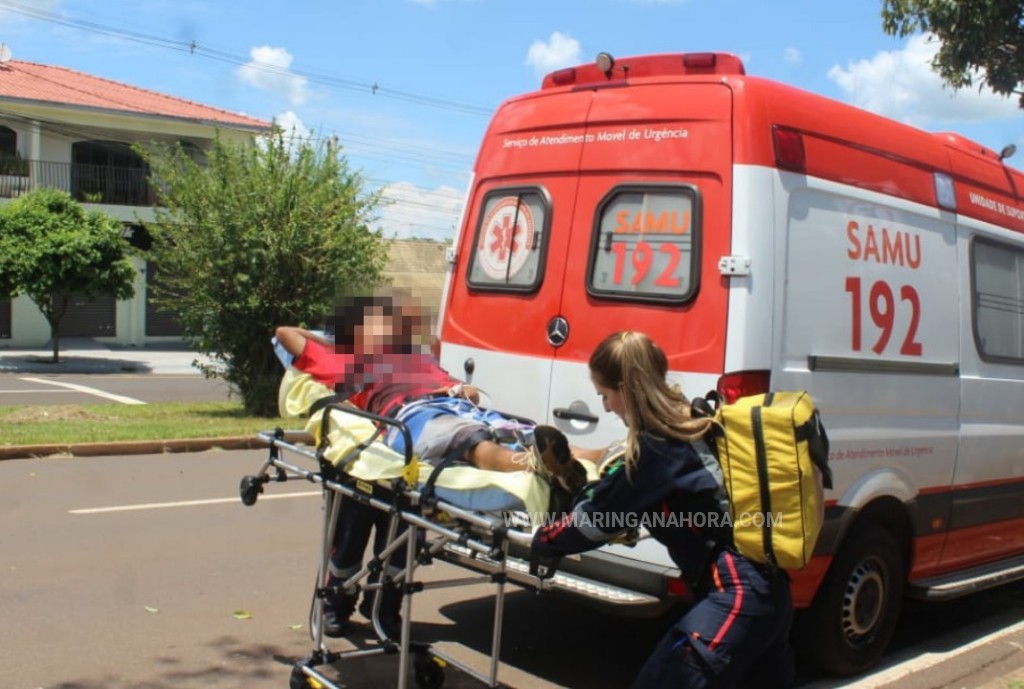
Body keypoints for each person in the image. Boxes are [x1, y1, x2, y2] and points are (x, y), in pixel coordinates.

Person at [275, 291, 586, 638]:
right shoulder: (347, 361)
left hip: (452, 410)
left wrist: (463, 389)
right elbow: (286, 333)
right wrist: (337, 343)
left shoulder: (420, 361)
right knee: (351, 537)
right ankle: (336, 603)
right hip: (408, 420)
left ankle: (584, 460)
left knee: (507, 430)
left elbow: (466, 391)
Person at [532, 331, 794, 689]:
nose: (606, 406)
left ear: (624, 389)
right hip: (765, 594)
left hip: (737, 596)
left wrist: (545, 541)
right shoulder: (691, 419)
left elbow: (596, 521)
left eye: (605, 395)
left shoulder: (658, 447)